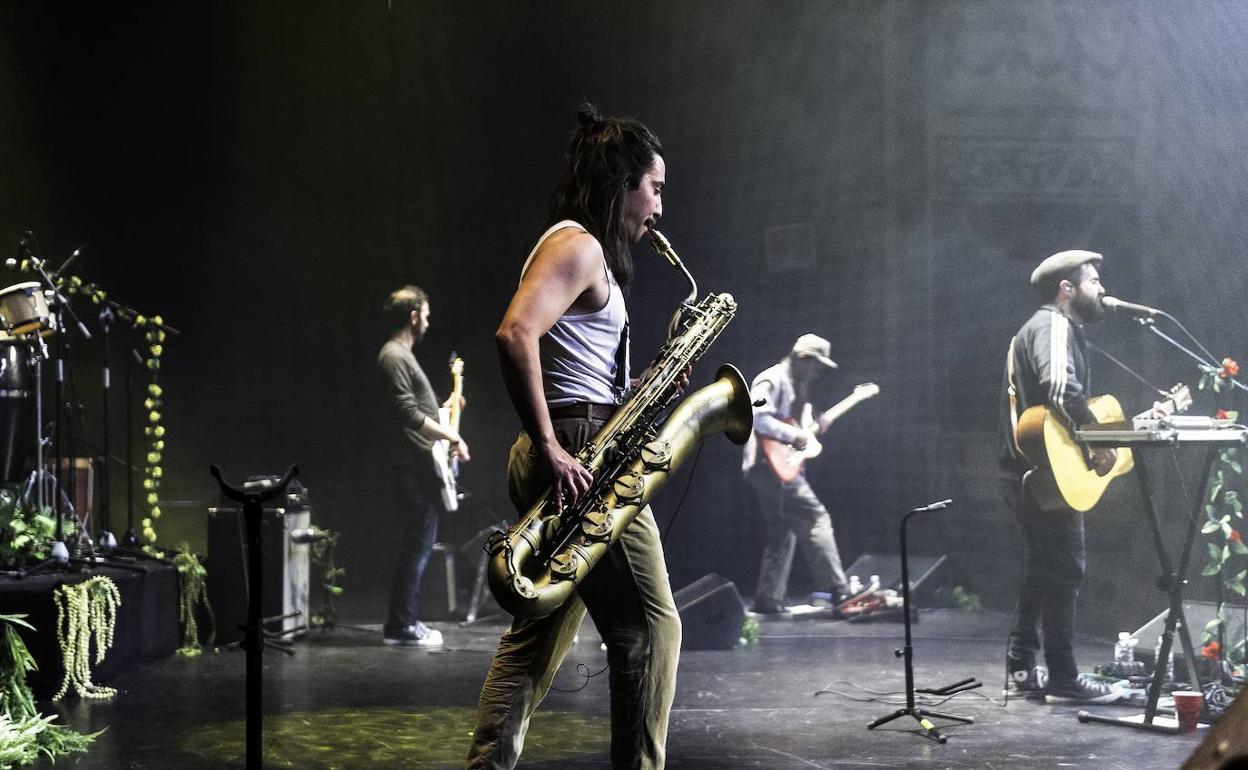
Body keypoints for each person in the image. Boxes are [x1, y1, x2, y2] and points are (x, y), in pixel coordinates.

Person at [467, 104, 680, 769]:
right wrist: (553, 446)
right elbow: (515, 333)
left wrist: (649, 384)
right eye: (655, 188)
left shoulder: (589, 254)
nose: (659, 208)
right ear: (623, 182)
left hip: (580, 433)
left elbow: (573, 363)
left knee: (538, 633)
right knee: (651, 626)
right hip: (577, 447)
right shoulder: (578, 245)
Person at [998, 250, 1124, 703]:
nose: (1102, 289)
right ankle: (1065, 677)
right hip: (1043, 470)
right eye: (1093, 281)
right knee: (1067, 568)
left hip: (1035, 469)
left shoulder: (1039, 329)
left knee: (1042, 568)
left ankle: (1021, 662)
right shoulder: (1052, 324)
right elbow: (1058, 387)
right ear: (1066, 289)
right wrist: (1095, 439)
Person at [376, 285, 470, 647]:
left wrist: (447, 409)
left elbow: (421, 411)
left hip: (419, 464)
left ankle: (402, 622)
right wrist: (451, 436)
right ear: (414, 317)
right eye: (426, 315)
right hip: (410, 466)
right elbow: (407, 413)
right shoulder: (394, 356)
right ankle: (402, 625)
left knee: (419, 543)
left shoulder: (402, 356)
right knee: (417, 544)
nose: (428, 322)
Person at [741, 334, 851, 615]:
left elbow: (800, 430)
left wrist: (814, 426)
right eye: (816, 365)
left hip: (774, 467)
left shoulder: (797, 388)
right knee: (816, 517)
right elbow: (758, 418)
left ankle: (768, 598)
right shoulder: (771, 379)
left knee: (781, 531)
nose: (818, 372)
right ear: (802, 358)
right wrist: (795, 435)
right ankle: (839, 589)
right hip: (768, 466)